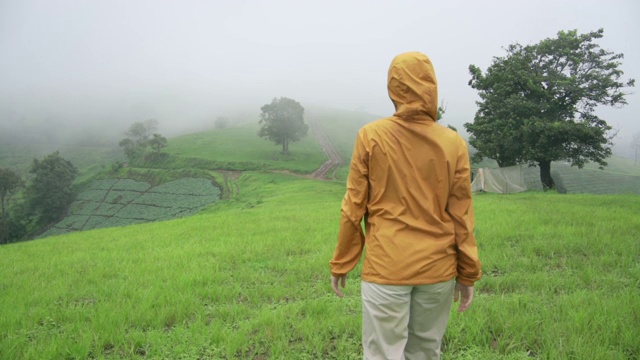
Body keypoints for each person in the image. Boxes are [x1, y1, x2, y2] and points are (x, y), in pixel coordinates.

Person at [330, 52, 482, 360]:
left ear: (393, 87)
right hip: (437, 270)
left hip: (386, 268)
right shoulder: (453, 143)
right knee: (426, 352)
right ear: (431, 88)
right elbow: (461, 215)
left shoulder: (370, 136)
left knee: (382, 354)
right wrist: (467, 272)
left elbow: (353, 207)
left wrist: (343, 261)